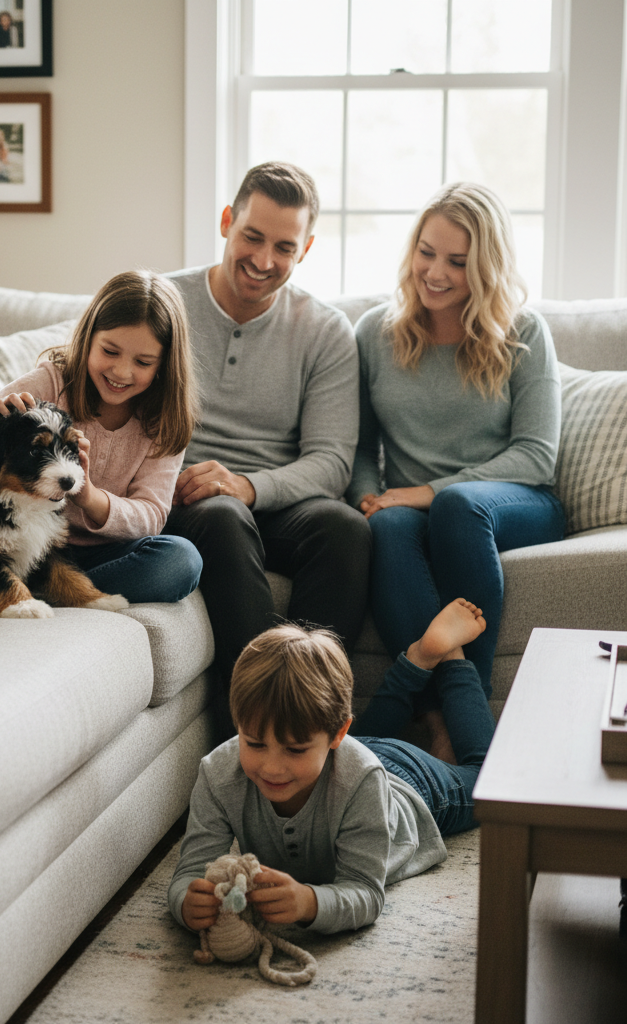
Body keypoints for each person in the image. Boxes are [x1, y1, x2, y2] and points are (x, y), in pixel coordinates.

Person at [164, 161, 371, 742]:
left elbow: (331, 461)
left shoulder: (325, 330)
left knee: (345, 529)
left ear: (306, 249)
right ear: (226, 222)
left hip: (270, 497)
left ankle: (313, 724)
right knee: (223, 517)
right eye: (252, 236)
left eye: (284, 247)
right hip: (184, 495)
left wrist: (248, 485)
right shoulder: (165, 302)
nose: (262, 259)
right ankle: (252, 730)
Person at [347, 182, 564, 706]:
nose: (435, 272)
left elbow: (536, 455)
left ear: (487, 268)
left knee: (458, 505)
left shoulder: (524, 333)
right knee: (387, 526)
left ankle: (472, 698)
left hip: (511, 504)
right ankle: (446, 718)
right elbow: (360, 449)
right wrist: (370, 499)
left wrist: (427, 491)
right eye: (426, 252)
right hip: (413, 510)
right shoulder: (375, 333)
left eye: (458, 262)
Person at [168, 598, 495, 935]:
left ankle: (451, 661)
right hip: (340, 757)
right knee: (352, 743)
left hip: (406, 781)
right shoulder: (218, 773)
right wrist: (186, 903)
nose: (272, 768)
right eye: (254, 743)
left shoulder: (362, 780)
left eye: (294, 749)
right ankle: (418, 661)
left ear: (338, 734)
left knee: (489, 781)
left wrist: (309, 902)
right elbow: (188, 873)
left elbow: (366, 892)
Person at [0, 270, 204, 605]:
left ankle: (55, 587)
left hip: (102, 553)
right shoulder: (52, 381)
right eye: (110, 351)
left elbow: (150, 516)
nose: (121, 372)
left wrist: (88, 496)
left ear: (164, 364)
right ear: (89, 338)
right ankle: (35, 584)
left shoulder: (164, 420)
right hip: (27, 539)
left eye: (143, 361)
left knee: (181, 560)